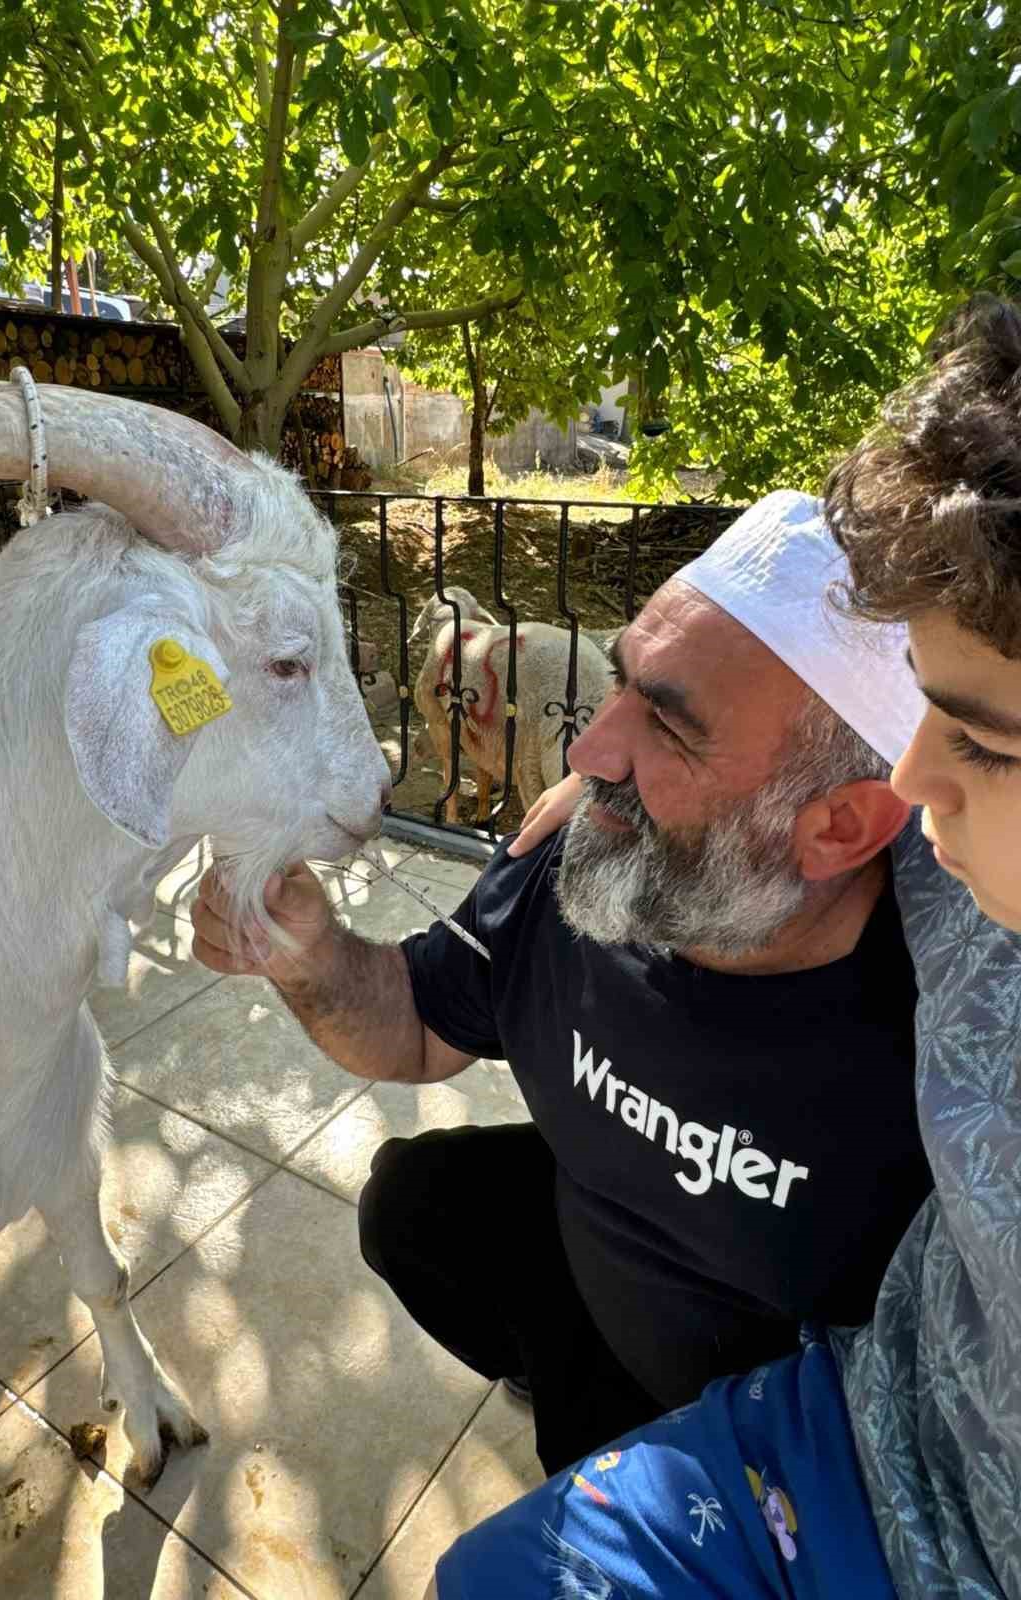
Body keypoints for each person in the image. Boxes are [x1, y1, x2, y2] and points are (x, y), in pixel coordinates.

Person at [420, 293, 1021, 1600]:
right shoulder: (943, 869)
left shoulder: (908, 886)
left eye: (974, 736)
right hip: (842, 1447)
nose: (917, 786)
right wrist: (621, 788)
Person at [192, 488, 933, 1477]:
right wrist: (313, 956)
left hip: (776, 1447)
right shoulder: (591, 851)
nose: (587, 752)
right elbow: (414, 1022)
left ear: (840, 826)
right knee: (410, 1204)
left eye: (666, 727)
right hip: (593, 1286)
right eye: (624, 682)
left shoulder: (952, 1049)